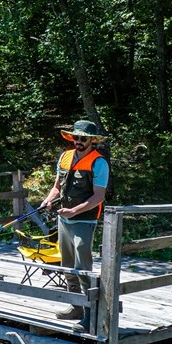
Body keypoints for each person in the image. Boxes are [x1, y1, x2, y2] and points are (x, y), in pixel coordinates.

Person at [37, 120, 110, 322]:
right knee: (67, 265)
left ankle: (90, 314)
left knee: (83, 267)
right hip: (64, 221)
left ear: (92, 140)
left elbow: (99, 196)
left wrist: (74, 211)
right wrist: (48, 200)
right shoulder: (65, 157)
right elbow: (57, 187)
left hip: (84, 222)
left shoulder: (99, 163)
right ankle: (76, 307)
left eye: (83, 138)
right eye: (76, 137)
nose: (79, 141)